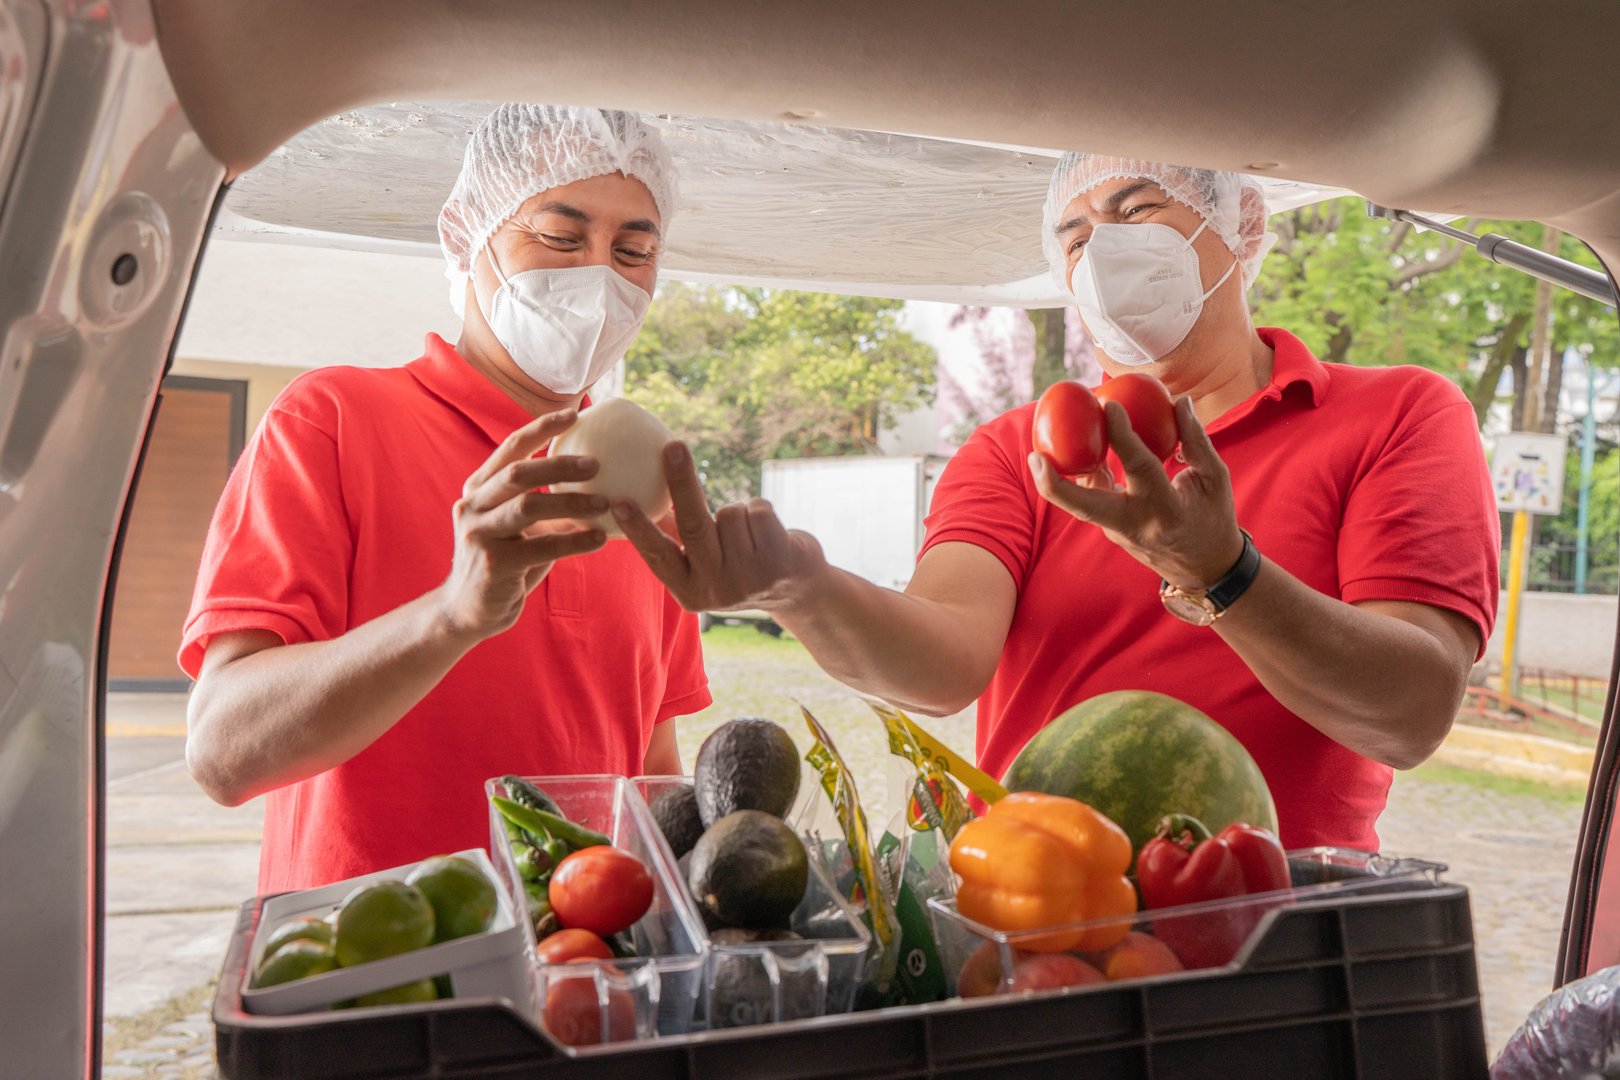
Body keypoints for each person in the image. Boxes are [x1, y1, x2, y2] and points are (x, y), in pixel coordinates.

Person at [616, 154, 1499, 852]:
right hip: (1039, 902)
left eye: (1138, 208)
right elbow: (945, 662)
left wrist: (1224, 573)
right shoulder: (1019, 450)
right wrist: (803, 588)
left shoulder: (1398, 414)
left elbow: (1412, 713)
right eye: (1074, 234)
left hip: (1279, 925)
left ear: (1245, 222)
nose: (1102, 248)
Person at [181, 105, 710, 893]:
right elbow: (224, 753)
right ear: (466, 237)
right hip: (372, 976)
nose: (599, 275)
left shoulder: (645, 488)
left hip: (583, 977)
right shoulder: (333, 421)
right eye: (562, 238)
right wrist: (452, 615)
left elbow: (650, 768)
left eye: (633, 251)